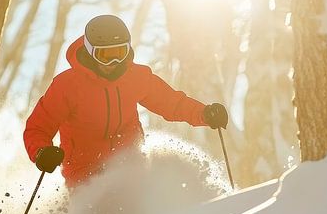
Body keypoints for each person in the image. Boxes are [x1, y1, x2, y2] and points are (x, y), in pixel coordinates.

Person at [23, 15, 228, 188]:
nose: (113, 63)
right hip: (83, 173)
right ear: (90, 52)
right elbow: (38, 127)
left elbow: (171, 103)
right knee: (97, 207)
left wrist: (204, 113)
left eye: (119, 53)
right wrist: (42, 152)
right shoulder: (67, 85)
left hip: (130, 161)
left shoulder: (135, 77)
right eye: (105, 55)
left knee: (146, 197)